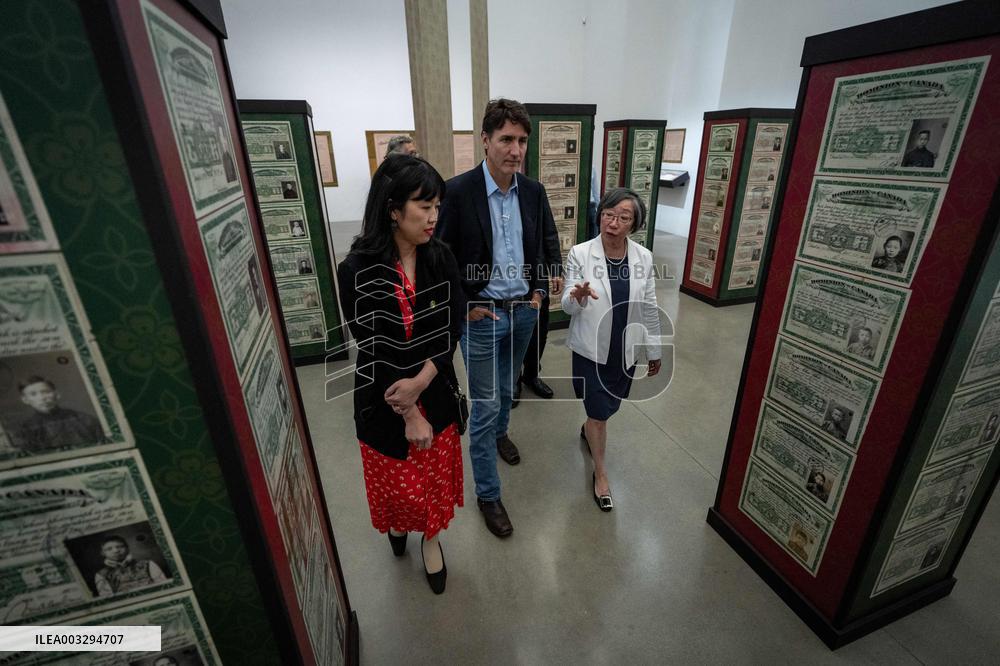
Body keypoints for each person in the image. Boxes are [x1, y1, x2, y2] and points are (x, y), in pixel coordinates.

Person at [336, 153, 464, 594]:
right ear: (393, 210)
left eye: (436, 207)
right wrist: (409, 411)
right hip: (383, 396)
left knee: (431, 483)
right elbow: (372, 347)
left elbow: (451, 327)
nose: (433, 217)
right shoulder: (356, 270)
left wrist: (424, 381)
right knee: (398, 484)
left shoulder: (441, 257)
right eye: (423, 207)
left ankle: (431, 540)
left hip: (436, 388)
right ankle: (397, 526)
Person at [436, 98, 561, 538]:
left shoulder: (533, 191)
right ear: (485, 140)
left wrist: (544, 287)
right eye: (506, 139)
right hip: (483, 317)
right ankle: (488, 494)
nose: (515, 149)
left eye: (522, 140)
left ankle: (503, 435)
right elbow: (441, 258)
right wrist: (464, 303)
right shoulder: (457, 192)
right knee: (486, 407)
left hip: (524, 311)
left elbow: (547, 239)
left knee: (509, 388)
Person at [562, 188, 662, 511]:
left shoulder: (643, 258)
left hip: (624, 348)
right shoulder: (580, 253)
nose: (613, 223)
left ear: (634, 224)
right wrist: (575, 297)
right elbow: (566, 305)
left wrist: (654, 348)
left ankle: (589, 427)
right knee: (599, 415)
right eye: (607, 214)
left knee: (609, 408)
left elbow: (649, 305)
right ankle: (600, 474)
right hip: (591, 349)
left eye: (623, 217)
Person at [15, 376, 106, 453]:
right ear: (25, 400)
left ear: (57, 394)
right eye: (33, 394)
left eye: (46, 392)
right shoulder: (27, 430)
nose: (42, 398)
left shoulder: (84, 419)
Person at [94, 535, 167, 596]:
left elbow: (163, 586)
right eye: (109, 549)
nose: (116, 551)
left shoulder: (148, 564)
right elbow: (107, 597)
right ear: (103, 553)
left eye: (120, 546)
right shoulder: (101, 575)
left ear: (127, 548)